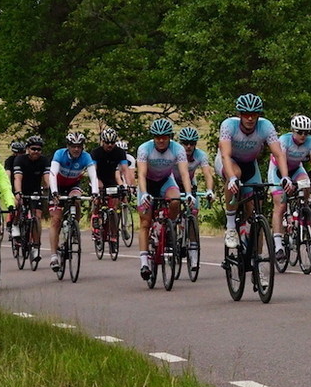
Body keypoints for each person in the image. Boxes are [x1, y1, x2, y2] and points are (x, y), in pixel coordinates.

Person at [218, 95, 290, 266]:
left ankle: (256, 260)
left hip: (251, 165)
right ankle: (230, 226)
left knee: (256, 211)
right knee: (235, 174)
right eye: (246, 114)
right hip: (229, 162)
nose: (250, 118)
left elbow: (279, 154)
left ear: (258, 115)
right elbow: (225, 155)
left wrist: (285, 176)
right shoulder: (228, 125)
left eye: (254, 114)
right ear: (239, 114)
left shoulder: (266, 126)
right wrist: (232, 178)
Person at [133, 119, 194, 279]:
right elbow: (141, 174)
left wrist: (188, 193)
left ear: (170, 137)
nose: (161, 140)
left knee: (175, 200)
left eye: (164, 137)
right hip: (148, 184)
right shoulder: (144, 148)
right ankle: (144, 263)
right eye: (157, 137)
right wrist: (144, 193)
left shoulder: (178, 149)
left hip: (166, 181)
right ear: (153, 137)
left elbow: (184, 174)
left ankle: (169, 228)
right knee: (145, 222)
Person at [270, 114, 311, 252]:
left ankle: (303, 214)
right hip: (278, 170)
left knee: (306, 186)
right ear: (293, 130)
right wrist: (285, 178)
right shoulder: (284, 140)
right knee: (280, 205)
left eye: (306, 132)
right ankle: (278, 245)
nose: (303, 135)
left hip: (296, 169)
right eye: (300, 132)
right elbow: (281, 160)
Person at [45, 132, 99, 270]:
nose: (76, 149)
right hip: (57, 185)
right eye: (73, 146)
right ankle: (53, 257)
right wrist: (54, 192)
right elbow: (52, 174)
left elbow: (93, 176)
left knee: (76, 199)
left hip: (73, 185)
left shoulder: (86, 157)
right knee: (56, 220)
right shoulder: (59, 154)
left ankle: (74, 227)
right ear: (68, 146)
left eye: (79, 146)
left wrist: (95, 193)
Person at [88, 128, 131, 238]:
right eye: (107, 142)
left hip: (111, 179)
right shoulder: (96, 152)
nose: (110, 145)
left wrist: (129, 185)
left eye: (112, 142)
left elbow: (125, 170)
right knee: (98, 199)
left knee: (114, 206)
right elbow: (93, 170)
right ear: (102, 141)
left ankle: (113, 233)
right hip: (97, 178)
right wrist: (97, 182)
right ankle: (95, 216)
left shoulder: (120, 152)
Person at [177, 126, 216, 202]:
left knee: (194, 207)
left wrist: (209, 190)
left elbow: (207, 174)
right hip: (173, 182)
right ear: (181, 143)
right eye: (185, 143)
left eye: (192, 143)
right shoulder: (175, 153)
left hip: (190, 182)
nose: (188, 146)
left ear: (195, 144)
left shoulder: (201, 155)